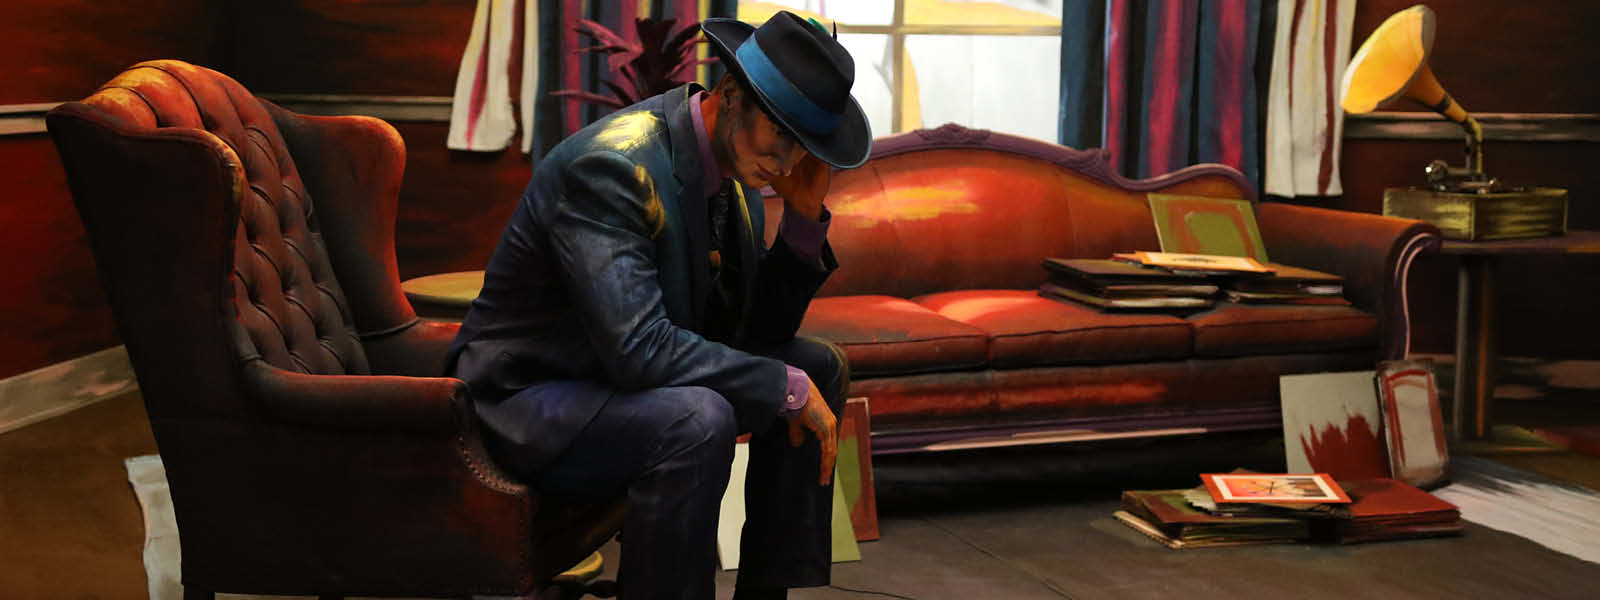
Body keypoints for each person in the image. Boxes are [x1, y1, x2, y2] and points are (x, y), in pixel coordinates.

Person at [443, 11, 872, 599]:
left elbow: (757, 332)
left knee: (818, 365)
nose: (789, 162)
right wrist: (781, 386)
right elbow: (639, 350)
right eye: (782, 133)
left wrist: (801, 221)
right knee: (699, 418)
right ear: (730, 94)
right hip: (528, 400)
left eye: (805, 146)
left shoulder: (737, 174)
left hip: (613, 385)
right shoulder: (614, 167)